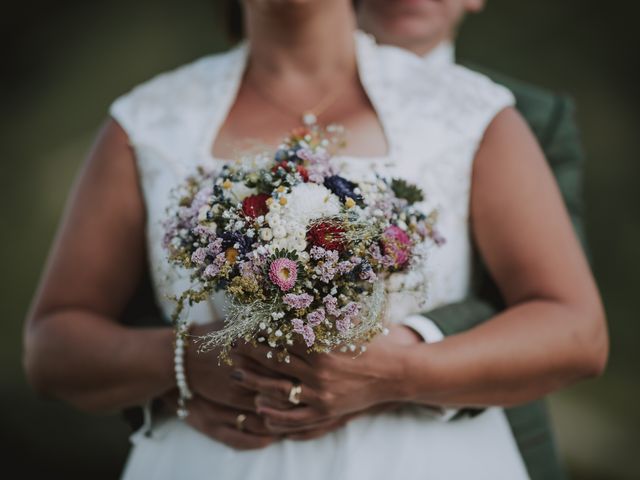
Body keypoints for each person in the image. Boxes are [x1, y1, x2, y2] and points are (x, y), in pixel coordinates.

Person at [23, 1, 607, 479]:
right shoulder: (149, 123)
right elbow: (53, 345)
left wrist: (396, 375)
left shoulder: (469, 114)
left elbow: (575, 331)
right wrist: (188, 359)